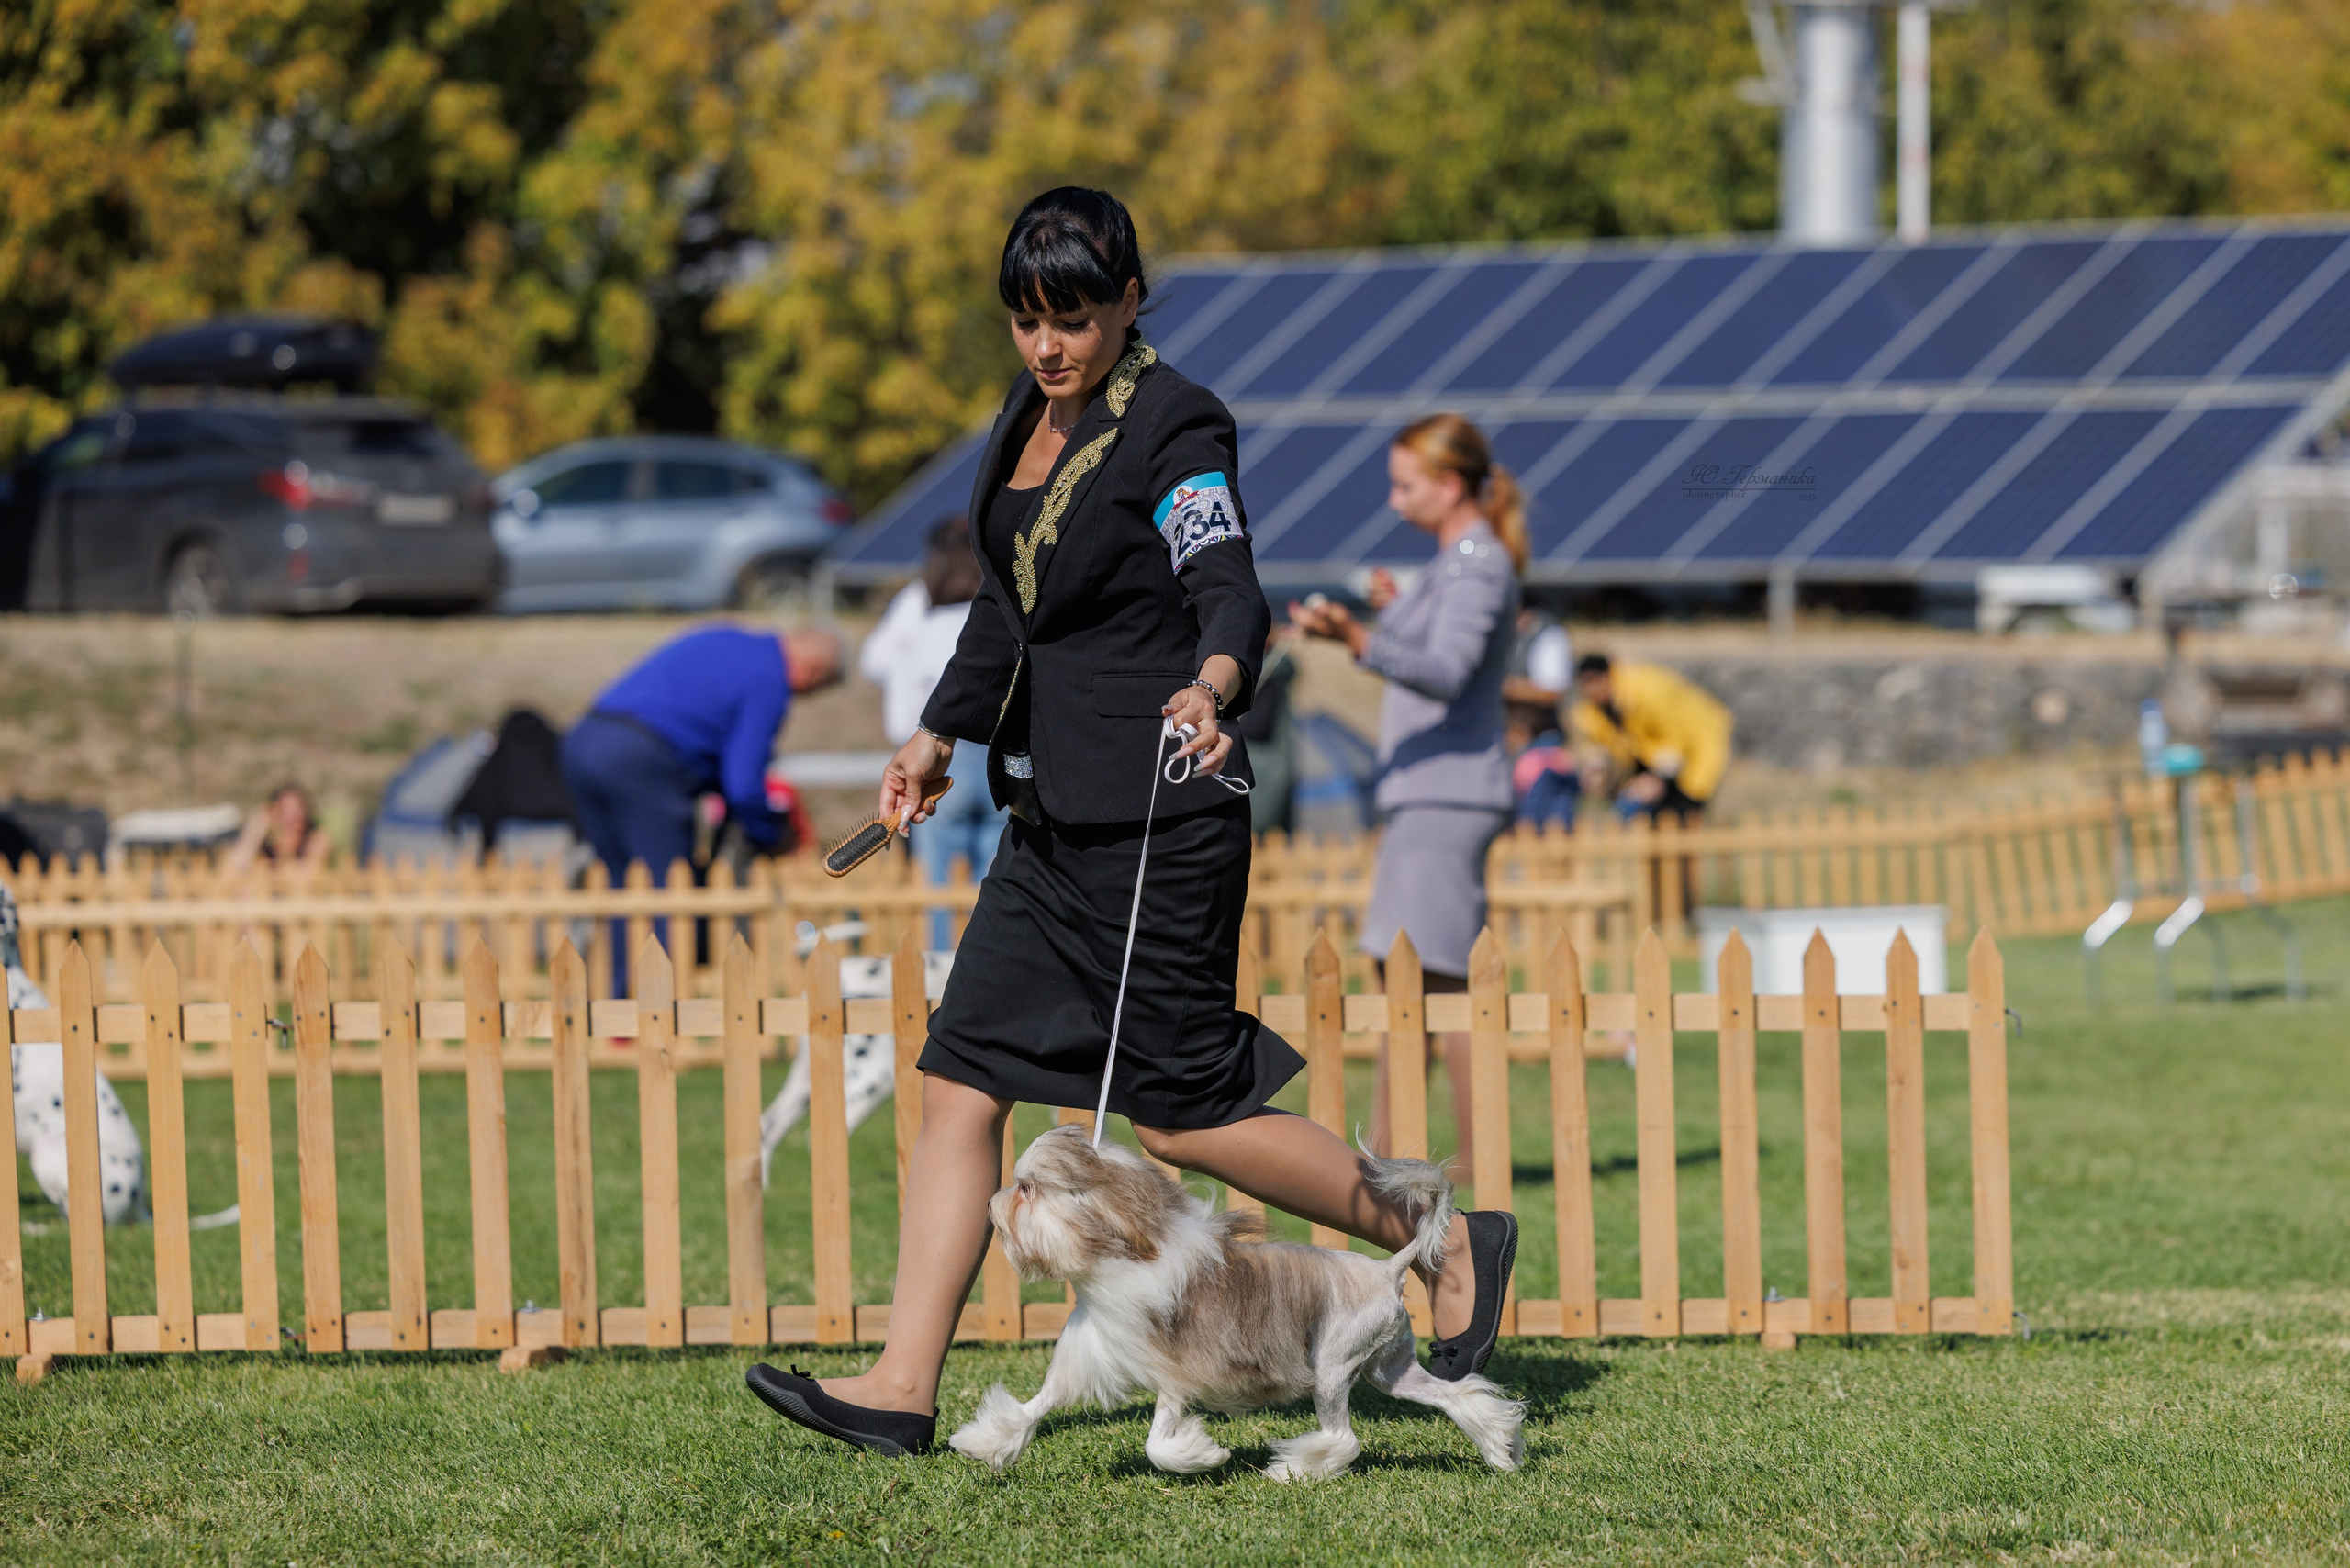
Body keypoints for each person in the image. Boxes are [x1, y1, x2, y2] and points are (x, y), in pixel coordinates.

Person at [744, 187, 1518, 1457]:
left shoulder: (1176, 424)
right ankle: (898, 1387)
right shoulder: (1025, 424)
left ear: (1130, 303)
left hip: (1166, 809)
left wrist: (1216, 688)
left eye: (1075, 316)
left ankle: (1439, 1244)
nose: (1049, 344)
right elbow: (1011, 606)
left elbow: (1229, 585)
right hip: (1050, 819)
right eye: (1026, 320)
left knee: (1181, 1117)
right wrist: (940, 734)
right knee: (955, 1085)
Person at [1289, 414, 1526, 1180]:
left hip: (1446, 795)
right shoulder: (1455, 565)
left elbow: (1448, 671)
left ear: (1450, 486)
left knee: (1439, 974)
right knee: (1412, 971)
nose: (1394, 501)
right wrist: (1390, 614)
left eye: (1406, 485)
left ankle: (1466, 1158)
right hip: (1433, 792)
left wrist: (1360, 640)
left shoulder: (1475, 565)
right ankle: (1397, 1152)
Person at [563, 622, 842, 986]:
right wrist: (770, 832)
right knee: (669, 893)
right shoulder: (771, 678)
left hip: (582, 742)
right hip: (642, 761)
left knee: (623, 885)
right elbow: (743, 784)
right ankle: (656, 1016)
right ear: (812, 672)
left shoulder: (728, 640)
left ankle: (619, 1014)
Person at [857, 516, 1010, 949]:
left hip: (938, 752)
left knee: (938, 877)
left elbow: (874, 660)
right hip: (998, 752)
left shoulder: (919, 609)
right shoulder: (1002, 599)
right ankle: (989, 962)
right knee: (994, 874)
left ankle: (944, 966)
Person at [1569, 654, 1731, 823]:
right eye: (1585, 683)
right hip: (1652, 757)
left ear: (1607, 675)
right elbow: (1599, 743)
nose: (1591, 689)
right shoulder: (1592, 709)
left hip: (1696, 750)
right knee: (1649, 818)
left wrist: (1658, 777)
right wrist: (1596, 768)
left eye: (1594, 680)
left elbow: (1679, 736)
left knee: (1682, 816)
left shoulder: (1647, 689)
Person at [226, 782, 331, 874]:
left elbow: (308, 873)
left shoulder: (315, 838)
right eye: (285, 810)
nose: (292, 816)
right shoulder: (267, 842)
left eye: (297, 809)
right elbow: (234, 867)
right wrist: (257, 829)